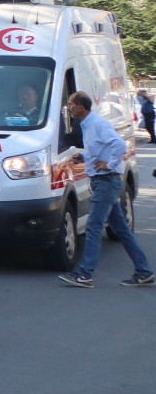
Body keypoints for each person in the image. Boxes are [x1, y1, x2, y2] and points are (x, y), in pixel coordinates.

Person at [59, 91, 155, 288]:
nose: (69, 107)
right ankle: (144, 271)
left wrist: (110, 164)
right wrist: (85, 156)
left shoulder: (98, 124)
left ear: (81, 107)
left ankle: (85, 273)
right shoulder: (88, 125)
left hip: (106, 181)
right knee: (122, 231)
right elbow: (98, 148)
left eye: (71, 103)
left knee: (94, 227)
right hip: (102, 181)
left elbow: (119, 145)